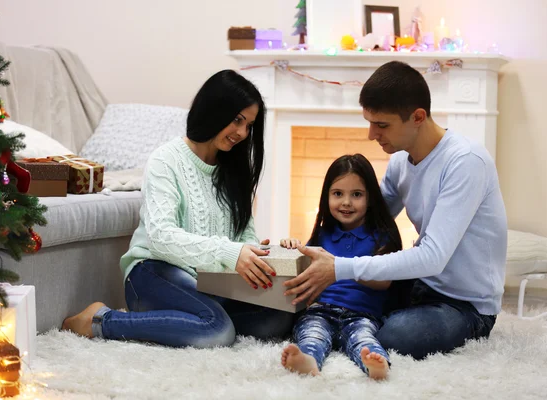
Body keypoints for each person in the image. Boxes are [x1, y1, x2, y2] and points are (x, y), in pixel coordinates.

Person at [283, 61, 507, 360]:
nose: (371, 134)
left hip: (463, 303)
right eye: (370, 122)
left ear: (417, 117)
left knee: (393, 335)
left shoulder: (465, 161)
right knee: (301, 314)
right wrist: (299, 252)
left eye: (382, 125)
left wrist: (337, 268)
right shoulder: (401, 161)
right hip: (417, 285)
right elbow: (367, 218)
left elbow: (432, 257)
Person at [62, 70, 293, 347]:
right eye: (237, 120)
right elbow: (160, 238)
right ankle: (99, 320)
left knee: (279, 318)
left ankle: (190, 319)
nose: (242, 133)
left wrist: (256, 255)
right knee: (217, 331)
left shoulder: (234, 171)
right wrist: (229, 253)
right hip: (153, 272)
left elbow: (243, 237)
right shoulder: (166, 160)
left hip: (210, 284)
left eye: (249, 125)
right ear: (214, 109)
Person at [280, 154, 402, 379]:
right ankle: (307, 360)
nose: (346, 202)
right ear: (326, 195)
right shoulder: (322, 233)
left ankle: (376, 364)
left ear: (371, 198)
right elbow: (304, 266)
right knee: (312, 334)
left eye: (356, 194)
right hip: (320, 309)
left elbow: (384, 281)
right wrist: (291, 248)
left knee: (364, 339)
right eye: (338, 194)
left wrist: (343, 269)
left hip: (362, 314)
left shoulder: (381, 237)